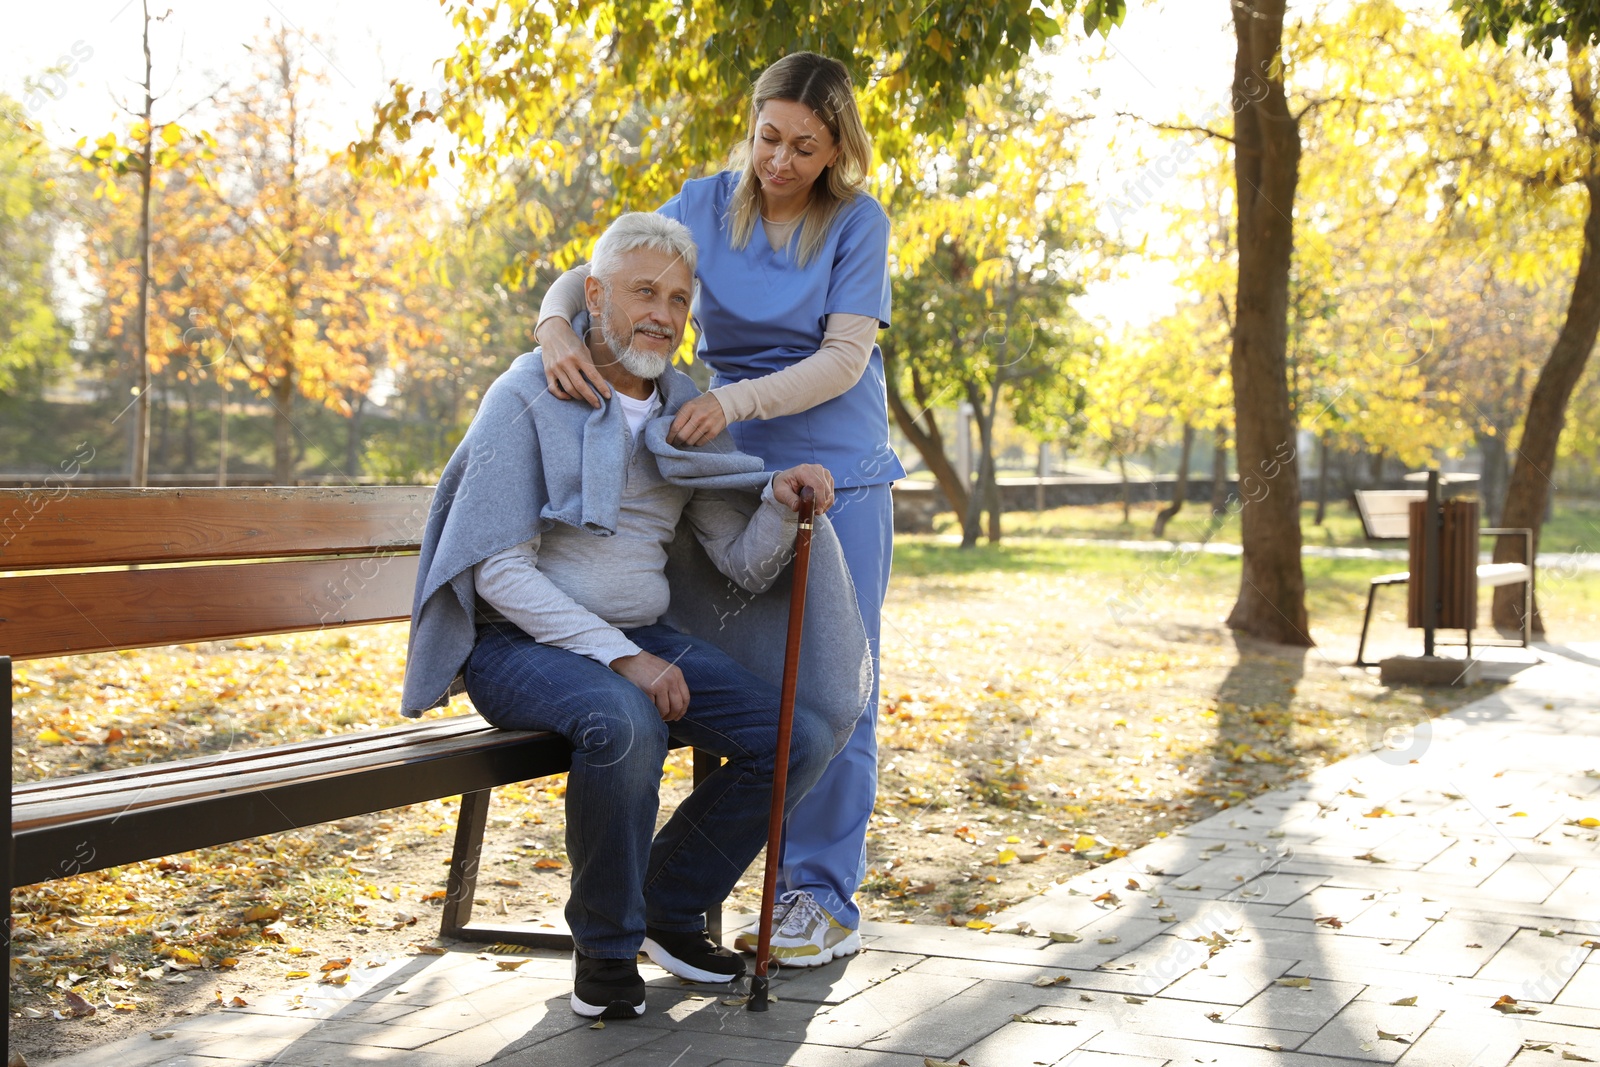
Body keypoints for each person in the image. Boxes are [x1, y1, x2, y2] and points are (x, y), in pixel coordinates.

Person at [401, 213, 872, 1020]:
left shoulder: (680, 409)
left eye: (679, 299)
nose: (662, 312)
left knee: (800, 731)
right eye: (643, 291)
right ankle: (607, 945)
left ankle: (668, 903)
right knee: (627, 721)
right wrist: (625, 659)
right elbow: (499, 573)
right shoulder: (527, 393)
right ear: (594, 295)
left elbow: (739, 561)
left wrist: (781, 498)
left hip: (641, 636)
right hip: (518, 645)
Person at [535, 51, 899, 969]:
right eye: (768, 136)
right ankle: (693, 895)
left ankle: (818, 895)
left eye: (804, 147)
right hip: (725, 472)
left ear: (835, 150)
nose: (779, 160)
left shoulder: (857, 223)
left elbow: (843, 360)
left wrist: (732, 401)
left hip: (834, 473)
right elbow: (598, 273)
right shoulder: (702, 202)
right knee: (732, 675)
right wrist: (551, 330)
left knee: (834, 682)